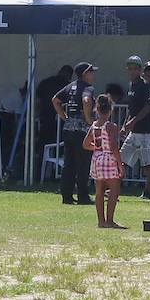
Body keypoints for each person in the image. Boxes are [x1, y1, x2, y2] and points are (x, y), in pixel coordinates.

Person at [121, 56, 150, 200]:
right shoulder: (131, 85)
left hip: (145, 131)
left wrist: (133, 122)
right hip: (134, 131)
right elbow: (131, 108)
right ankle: (113, 188)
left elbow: (147, 107)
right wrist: (125, 125)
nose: (132, 71)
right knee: (121, 158)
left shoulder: (144, 86)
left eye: (135, 69)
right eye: (130, 68)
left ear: (140, 70)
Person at [53, 61, 96, 205]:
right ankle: (83, 196)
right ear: (85, 73)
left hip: (68, 127)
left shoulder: (70, 86)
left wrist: (64, 116)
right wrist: (88, 117)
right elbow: (86, 100)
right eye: (91, 72)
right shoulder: (88, 87)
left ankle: (66, 195)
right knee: (83, 163)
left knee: (69, 163)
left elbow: (55, 100)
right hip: (81, 129)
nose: (92, 74)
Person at [83, 93, 126, 229]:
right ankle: (110, 220)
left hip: (97, 157)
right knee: (114, 189)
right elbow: (113, 146)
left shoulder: (94, 126)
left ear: (97, 110)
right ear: (110, 110)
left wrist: (96, 147)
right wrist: (120, 164)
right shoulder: (111, 126)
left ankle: (101, 221)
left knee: (99, 190)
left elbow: (85, 144)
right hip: (108, 157)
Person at [35, 63, 73, 148]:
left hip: (46, 115)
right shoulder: (69, 85)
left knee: (44, 141)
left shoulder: (45, 82)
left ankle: (42, 155)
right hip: (61, 117)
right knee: (60, 141)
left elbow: (38, 101)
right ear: (69, 75)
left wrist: (37, 114)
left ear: (59, 72)